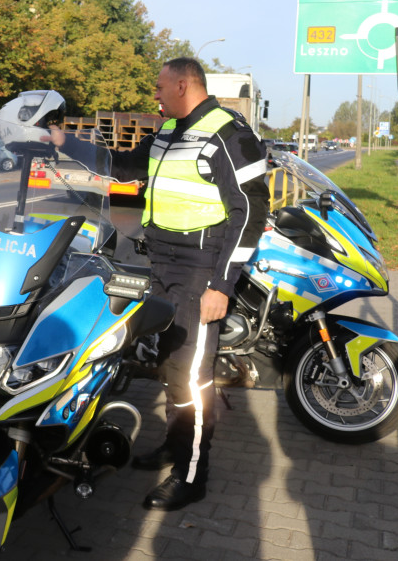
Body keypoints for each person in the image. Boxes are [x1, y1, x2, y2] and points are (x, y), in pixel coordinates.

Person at [50, 57, 268, 510]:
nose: (154, 94)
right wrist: (61, 141)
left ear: (184, 84)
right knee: (171, 366)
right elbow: (121, 165)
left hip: (200, 271)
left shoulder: (229, 133)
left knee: (192, 377)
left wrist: (221, 285)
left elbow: (251, 211)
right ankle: (174, 445)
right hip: (163, 267)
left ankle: (192, 477)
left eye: (160, 87)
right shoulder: (167, 132)